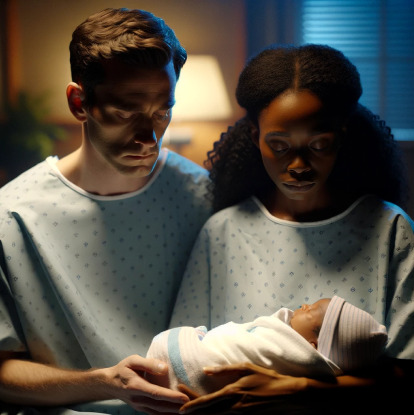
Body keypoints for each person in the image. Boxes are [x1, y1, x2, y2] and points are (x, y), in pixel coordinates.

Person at [171, 44, 414, 413]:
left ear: (341, 137)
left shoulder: (390, 229)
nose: (299, 165)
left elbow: (406, 374)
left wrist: (298, 389)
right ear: (255, 138)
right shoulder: (222, 232)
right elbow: (183, 354)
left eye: (319, 145)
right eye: (280, 146)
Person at [0, 8, 212, 415]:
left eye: (161, 112)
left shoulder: (204, 197)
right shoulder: (13, 217)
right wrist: (104, 383)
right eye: (126, 113)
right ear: (80, 102)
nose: (148, 137)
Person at [146, 296, 387, 395]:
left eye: (312, 310)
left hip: (193, 365)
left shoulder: (289, 352)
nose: (304, 306)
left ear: (313, 345)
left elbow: (245, 346)